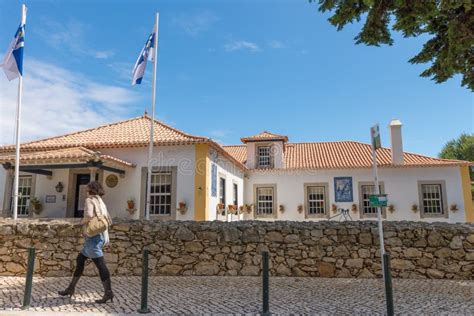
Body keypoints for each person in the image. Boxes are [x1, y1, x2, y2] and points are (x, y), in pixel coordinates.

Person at [58, 181, 114, 303]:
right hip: (100, 234)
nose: (85, 190)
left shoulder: (90, 200)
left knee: (100, 265)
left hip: (93, 237)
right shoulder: (100, 200)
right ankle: (71, 288)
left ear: (90, 189)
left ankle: (108, 292)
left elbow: (89, 215)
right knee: (80, 260)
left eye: (87, 188)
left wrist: (81, 222)